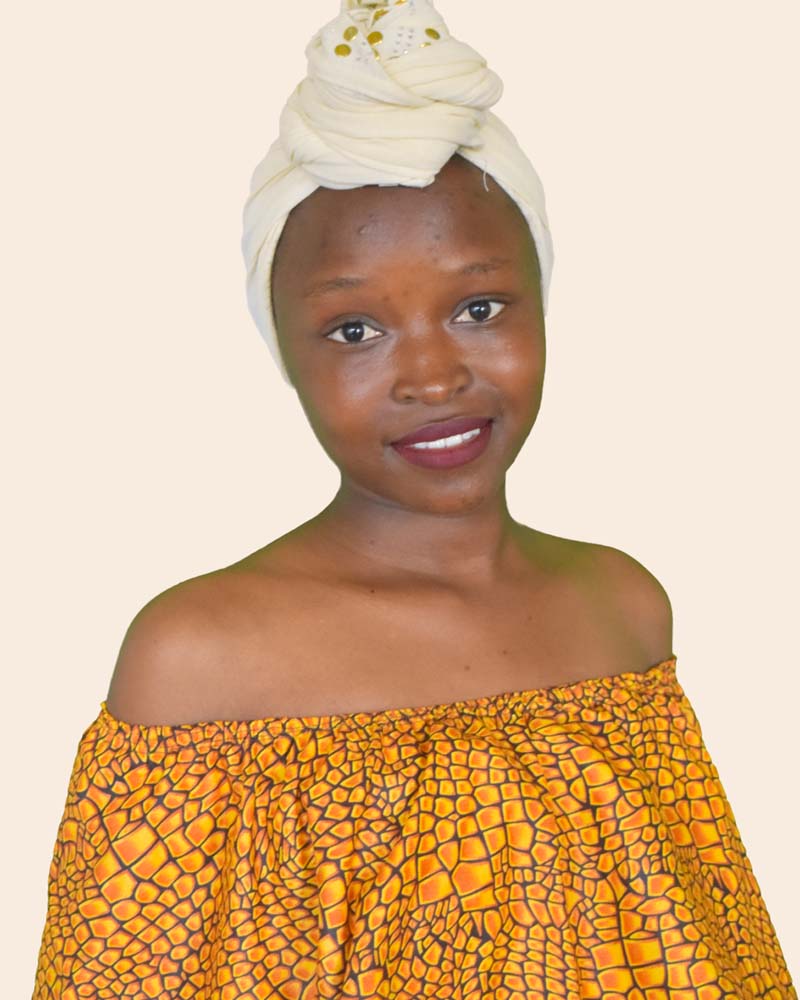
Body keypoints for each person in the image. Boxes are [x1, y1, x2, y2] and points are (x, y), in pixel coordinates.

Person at [32, 1, 796, 998]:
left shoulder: (622, 607)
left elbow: (715, 953)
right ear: (284, 353)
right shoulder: (198, 659)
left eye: (478, 308)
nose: (433, 377)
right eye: (355, 330)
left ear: (542, 304)